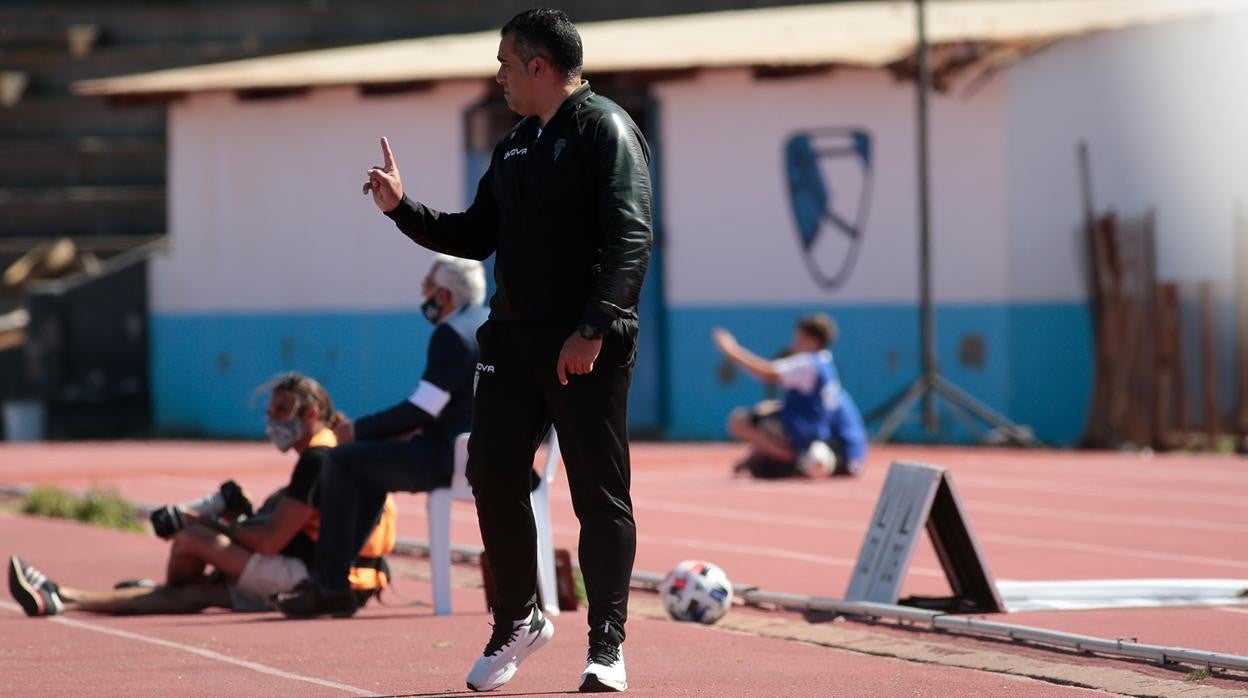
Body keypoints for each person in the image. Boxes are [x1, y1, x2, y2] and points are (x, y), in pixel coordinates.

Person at [355, 8, 651, 692]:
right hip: (513, 342)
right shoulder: (516, 143)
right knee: (489, 474)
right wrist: (403, 208)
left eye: (506, 64)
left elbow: (630, 237)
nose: (500, 77)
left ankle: (606, 645)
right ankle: (519, 619)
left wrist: (594, 328)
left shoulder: (604, 129)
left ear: (540, 67)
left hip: (583, 345)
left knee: (598, 495)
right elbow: (474, 233)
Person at [7, 373, 396, 617]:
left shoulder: (318, 458)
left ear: (311, 413)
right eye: (270, 411)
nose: (273, 420)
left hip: (315, 581)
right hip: (348, 581)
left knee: (189, 539)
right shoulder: (338, 451)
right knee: (192, 593)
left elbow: (270, 540)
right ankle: (59, 598)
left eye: (282, 410)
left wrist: (206, 520)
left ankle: (79, 595)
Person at [276, 254, 488, 617]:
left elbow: (423, 408)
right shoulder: (487, 324)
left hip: (449, 458)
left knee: (341, 460)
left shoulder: (452, 335)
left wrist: (355, 430)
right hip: (488, 451)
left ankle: (329, 584)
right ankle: (334, 581)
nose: (422, 294)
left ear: (444, 296)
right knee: (369, 467)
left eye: (427, 287)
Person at [713, 313, 869, 479]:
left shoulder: (808, 363)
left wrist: (731, 350)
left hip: (803, 433)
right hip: (818, 435)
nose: (794, 343)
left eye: (798, 338)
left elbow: (767, 373)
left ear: (812, 340)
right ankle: (786, 459)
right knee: (767, 418)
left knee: (739, 421)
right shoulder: (826, 365)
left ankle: (788, 457)